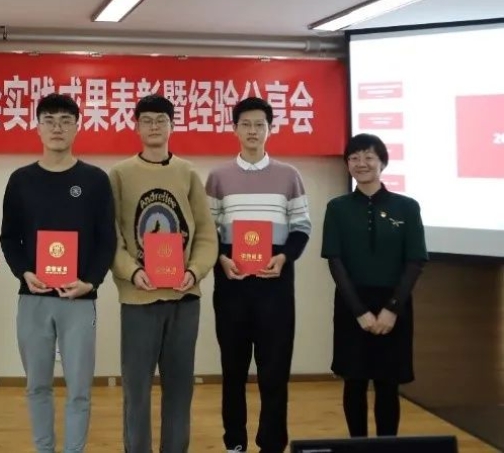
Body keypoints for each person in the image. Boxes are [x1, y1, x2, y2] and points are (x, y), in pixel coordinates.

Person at [0, 93, 116, 453]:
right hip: (34, 298)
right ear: (37, 127)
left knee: (79, 389)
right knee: (37, 385)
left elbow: (107, 239)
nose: (57, 128)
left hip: (79, 300)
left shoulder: (95, 180)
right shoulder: (21, 180)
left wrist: (90, 282)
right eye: (49, 120)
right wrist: (24, 272)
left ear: (77, 127)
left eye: (66, 120)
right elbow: (9, 238)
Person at [108, 94, 218, 453]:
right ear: (136, 126)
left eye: (161, 120)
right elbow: (112, 235)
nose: (154, 126)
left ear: (172, 125)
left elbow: (206, 233)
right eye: (147, 120)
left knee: (180, 389)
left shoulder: (188, 173)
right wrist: (131, 271)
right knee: (136, 390)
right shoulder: (120, 174)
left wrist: (195, 271)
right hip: (139, 297)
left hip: (184, 297)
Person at [205, 97, 312, 453]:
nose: (252, 131)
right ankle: (234, 442)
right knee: (233, 371)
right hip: (232, 285)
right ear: (235, 129)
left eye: (259, 125)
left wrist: (284, 257)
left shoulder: (289, 175)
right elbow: (208, 230)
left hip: (275, 286)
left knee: (274, 372)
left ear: (270, 129)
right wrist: (221, 259)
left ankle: (272, 444)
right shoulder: (218, 177)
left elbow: (301, 227)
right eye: (246, 124)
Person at [321, 133, 428, 438]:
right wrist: (359, 312)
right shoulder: (337, 207)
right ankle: (357, 445)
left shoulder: (407, 207)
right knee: (353, 382)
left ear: (382, 162)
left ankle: (386, 446)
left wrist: (392, 310)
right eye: (354, 158)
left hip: (394, 305)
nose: (361, 163)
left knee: (387, 384)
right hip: (351, 305)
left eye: (369, 157)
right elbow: (335, 261)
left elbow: (415, 261)